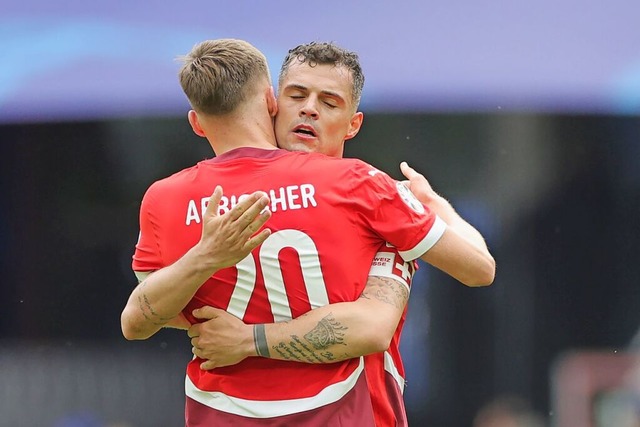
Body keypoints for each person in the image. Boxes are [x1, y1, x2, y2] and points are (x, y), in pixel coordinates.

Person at [120, 39, 494, 426]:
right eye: (296, 95)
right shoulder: (365, 187)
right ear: (272, 103)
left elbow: (148, 318)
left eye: (328, 102)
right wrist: (436, 205)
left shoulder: (166, 200)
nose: (309, 109)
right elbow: (474, 271)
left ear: (354, 123)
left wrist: (245, 335)